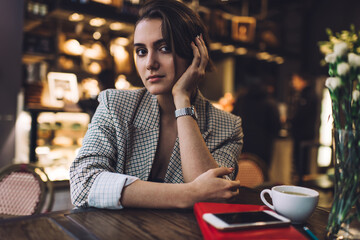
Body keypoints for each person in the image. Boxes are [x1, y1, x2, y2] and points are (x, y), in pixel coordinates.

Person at [70, 0, 243, 209]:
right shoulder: (115, 105)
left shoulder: (227, 126)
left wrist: (182, 99)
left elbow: (214, 198)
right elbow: (82, 183)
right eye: (141, 51)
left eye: (164, 48)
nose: (150, 63)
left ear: (196, 53)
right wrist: (188, 194)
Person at [232, 83, 281, 167]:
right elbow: (276, 126)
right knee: (262, 170)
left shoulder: (241, 100)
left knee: (241, 170)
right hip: (263, 145)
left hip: (243, 142)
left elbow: (232, 119)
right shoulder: (269, 103)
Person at [289, 72, 318, 179]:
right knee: (301, 162)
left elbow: (301, 115)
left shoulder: (307, 95)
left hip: (303, 134)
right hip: (303, 134)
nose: (293, 83)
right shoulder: (306, 94)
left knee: (301, 163)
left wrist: (290, 120)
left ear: (302, 80)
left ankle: (302, 184)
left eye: (295, 80)